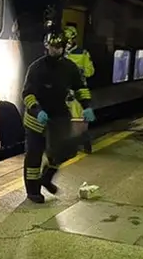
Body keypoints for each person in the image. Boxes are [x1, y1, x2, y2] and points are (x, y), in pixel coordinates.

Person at [21, 30, 95, 203]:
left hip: (59, 115)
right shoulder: (36, 68)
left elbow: (80, 88)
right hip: (36, 119)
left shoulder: (69, 67)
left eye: (60, 47)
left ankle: (46, 177)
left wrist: (86, 107)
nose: (57, 50)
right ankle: (33, 191)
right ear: (47, 47)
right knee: (34, 154)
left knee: (66, 149)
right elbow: (27, 93)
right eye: (54, 47)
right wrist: (37, 110)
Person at [63, 26, 95, 153]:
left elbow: (91, 71)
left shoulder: (83, 53)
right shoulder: (60, 53)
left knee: (79, 119)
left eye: (70, 40)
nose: (68, 43)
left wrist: (81, 71)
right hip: (64, 91)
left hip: (78, 91)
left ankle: (85, 142)